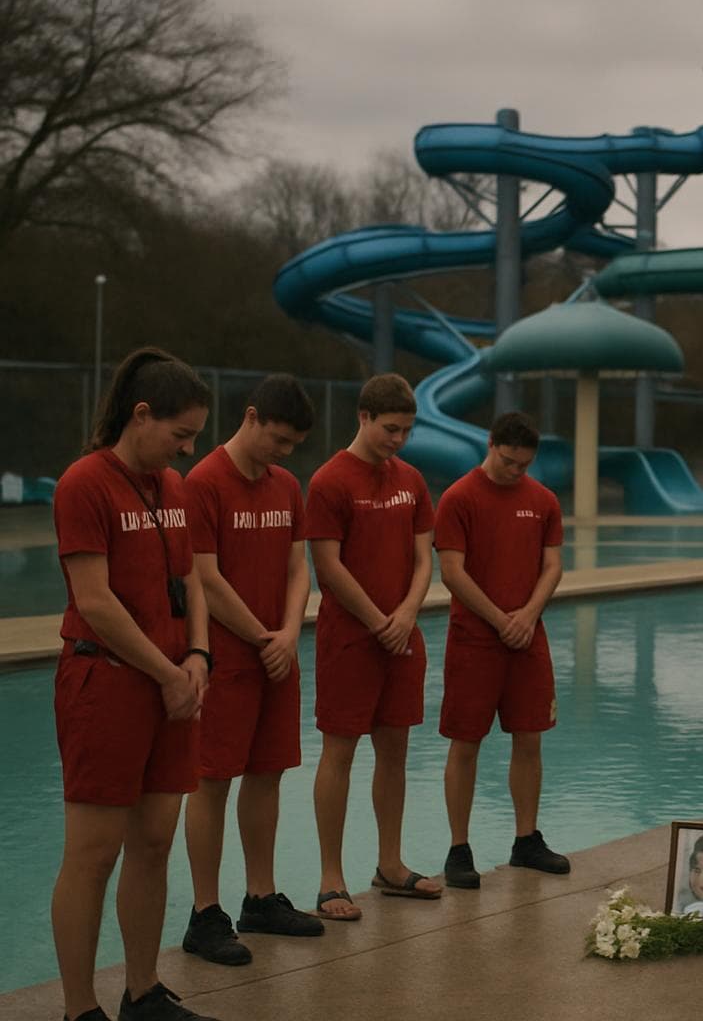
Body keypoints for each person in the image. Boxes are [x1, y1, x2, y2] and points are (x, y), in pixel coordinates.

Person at [51, 348, 220, 1021]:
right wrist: (166, 671)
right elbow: (94, 600)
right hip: (107, 683)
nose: (186, 450)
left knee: (154, 842)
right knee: (93, 855)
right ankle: (77, 1008)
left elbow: (191, 582)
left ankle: (143, 991)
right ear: (140, 414)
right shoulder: (84, 484)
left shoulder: (172, 489)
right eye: (180, 435)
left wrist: (201, 656)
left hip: (173, 686)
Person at [179, 375, 324, 965]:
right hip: (227, 658)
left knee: (267, 773)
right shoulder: (203, 483)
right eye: (279, 439)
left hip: (277, 655)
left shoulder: (287, 485)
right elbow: (204, 579)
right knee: (212, 779)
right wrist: (263, 636)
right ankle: (204, 912)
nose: (284, 453)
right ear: (252, 417)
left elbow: (298, 568)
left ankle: (259, 897)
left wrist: (289, 633)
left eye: (294, 445)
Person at [306, 373, 441, 919]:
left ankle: (390, 865)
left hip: (402, 638)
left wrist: (406, 614)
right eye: (391, 429)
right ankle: (330, 879)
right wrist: (376, 619)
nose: (399, 440)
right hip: (350, 641)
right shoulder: (329, 481)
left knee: (396, 751)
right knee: (339, 753)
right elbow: (327, 566)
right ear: (362, 417)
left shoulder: (411, 479)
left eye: (407, 430)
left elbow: (423, 556)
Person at [436, 412, 569, 887]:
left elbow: (552, 565)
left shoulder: (543, 500)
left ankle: (526, 840)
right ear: (491, 445)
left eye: (524, 465)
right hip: (475, 639)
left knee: (529, 737)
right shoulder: (458, 498)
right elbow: (452, 571)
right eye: (509, 461)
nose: (516, 471)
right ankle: (458, 848)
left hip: (527, 637)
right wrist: (499, 620)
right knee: (466, 742)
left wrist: (527, 616)